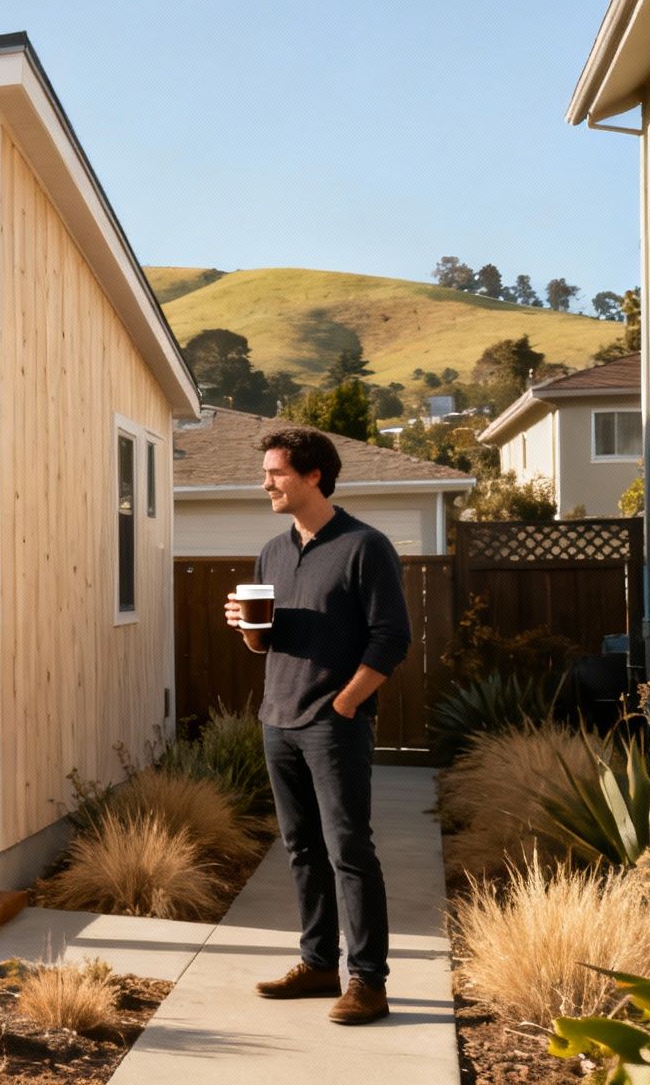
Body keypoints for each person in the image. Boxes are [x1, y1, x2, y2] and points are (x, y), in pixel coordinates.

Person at [223, 426, 410, 1026]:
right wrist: (248, 629)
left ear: (313, 476)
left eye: (276, 472)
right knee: (302, 849)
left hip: (334, 724)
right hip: (276, 717)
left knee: (348, 849)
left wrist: (348, 704)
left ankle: (369, 981)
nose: (266, 482)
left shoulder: (364, 546)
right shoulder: (273, 552)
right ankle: (318, 963)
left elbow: (392, 638)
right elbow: (266, 644)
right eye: (267, 472)